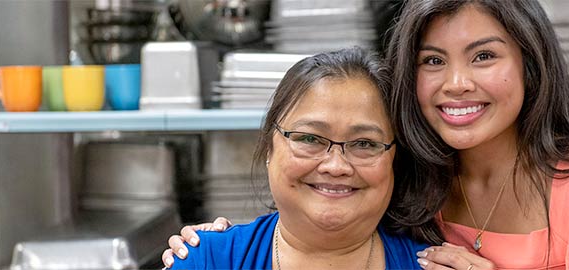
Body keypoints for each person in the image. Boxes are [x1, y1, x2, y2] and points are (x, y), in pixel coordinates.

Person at [165, 1, 569, 269]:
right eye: (433, 61)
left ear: (530, 64)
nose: (456, 84)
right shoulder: (418, 183)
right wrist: (217, 246)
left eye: (484, 55)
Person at [166, 47, 429, 269]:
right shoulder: (206, 260)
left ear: (394, 159)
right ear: (270, 148)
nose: (336, 166)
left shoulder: (434, 264)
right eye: (310, 139)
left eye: (364, 143)